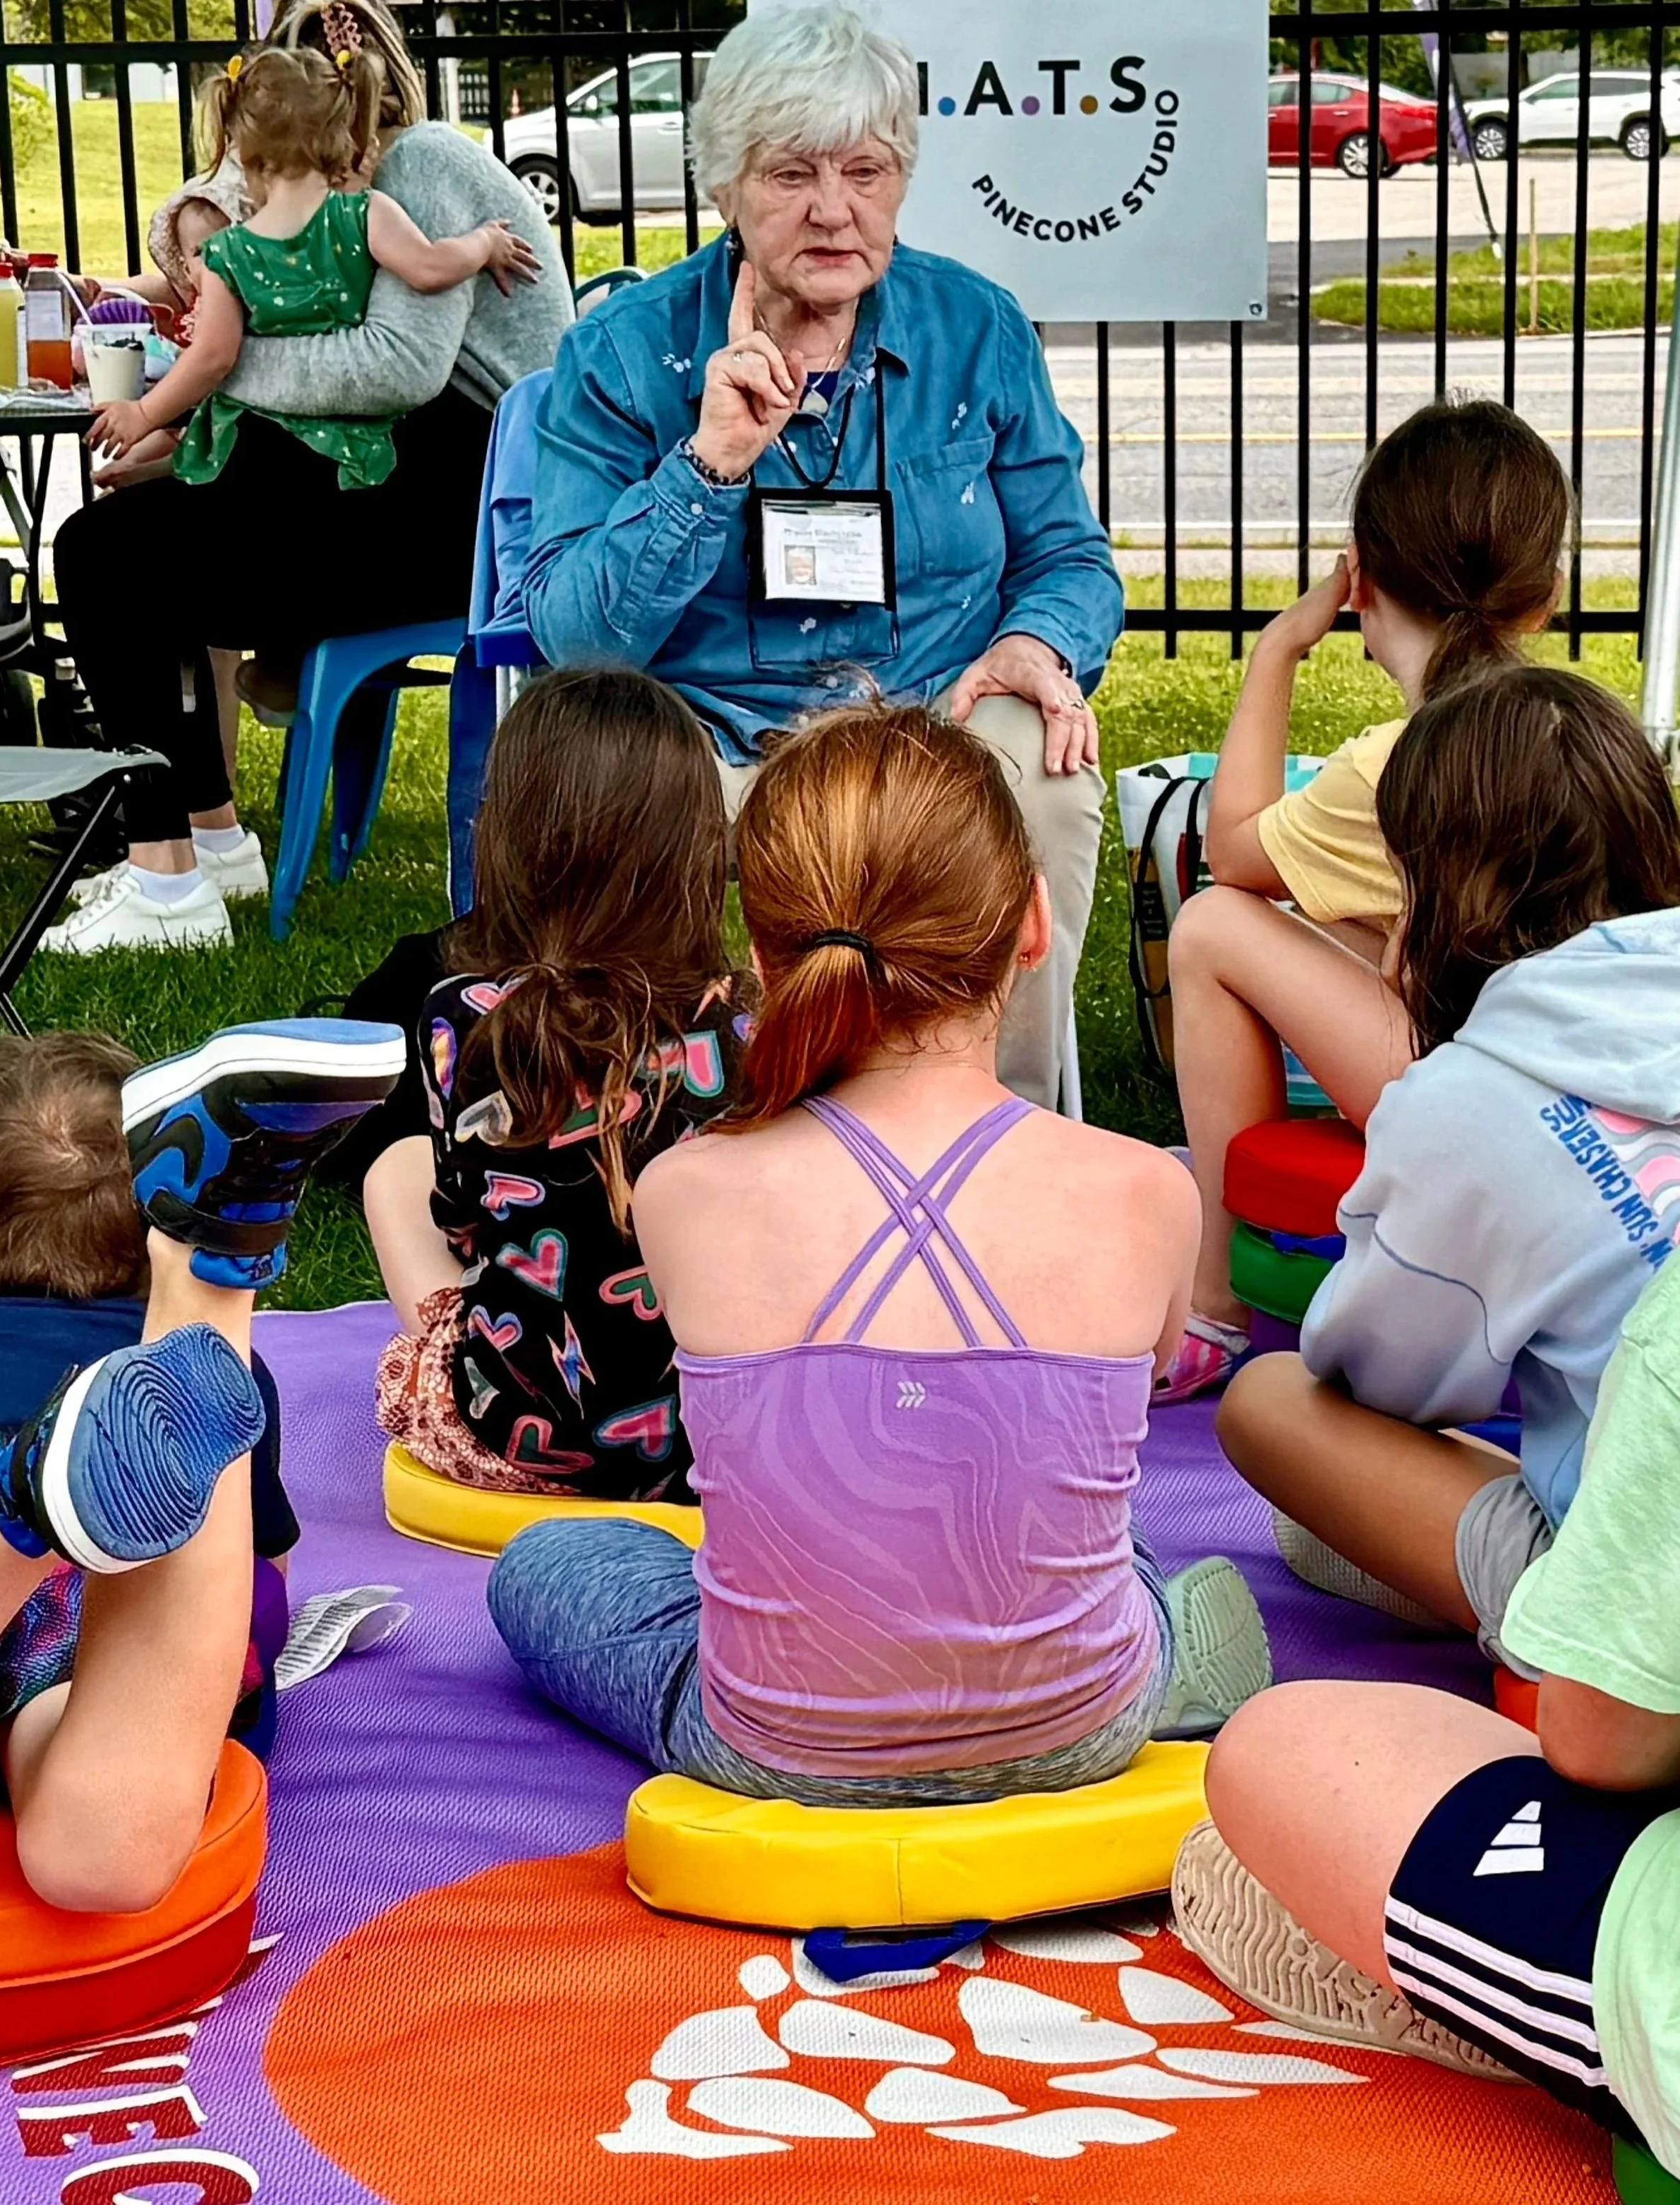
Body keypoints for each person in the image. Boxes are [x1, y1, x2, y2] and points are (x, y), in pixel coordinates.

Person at [488, 703, 1271, 1807]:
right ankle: (1174, 1654)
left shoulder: (681, 1192)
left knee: (545, 1568)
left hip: (777, 1749)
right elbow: (1117, 1395)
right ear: (1034, 924)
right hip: (1084, 1726)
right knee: (1105, 1521)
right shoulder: (1152, 1191)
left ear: (764, 959)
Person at [524, 4, 1121, 1112]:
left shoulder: (977, 328)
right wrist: (707, 467)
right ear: (724, 186)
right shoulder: (621, 353)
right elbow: (572, 640)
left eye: (867, 169)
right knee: (613, 777)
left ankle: (1010, 1125)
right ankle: (686, 1140)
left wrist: (1040, 642)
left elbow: (1071, 557)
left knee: (1040, 760)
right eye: (793, 173)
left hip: (928, 726)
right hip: (713, 740)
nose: (835, 209)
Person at [49, 0, 571, 956]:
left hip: (476, 503)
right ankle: (206, 841)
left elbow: (394, 367)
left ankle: (168, 881)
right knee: (127, 546)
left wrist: (215, 369)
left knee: (108, 557)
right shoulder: (359, 190)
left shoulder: (422, 167)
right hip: (416, 475)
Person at [1173, 1238, 1680, 2177]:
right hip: (1602, 1585)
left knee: (1273, 1740)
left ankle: (1459, 1983)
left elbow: (1367, 1357)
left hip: (1597, 1625)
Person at [1216, 665, 1680, 1663]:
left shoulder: (1468, 1097)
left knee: (1269, 1403)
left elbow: (1380, 1381)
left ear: (1426, 884)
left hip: (1635, 1621)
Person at [0, 1016, 401, 1908]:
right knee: (98, 1856)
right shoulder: (196, 1391)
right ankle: (206, 1285)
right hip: (94, 1613)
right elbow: (269, 1569)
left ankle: (18, 1511)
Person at [1159, 399, 1571, 1400]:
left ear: (1363, 580)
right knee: (1329, 912)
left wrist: (1277, 653)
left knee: (1217, 924)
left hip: (1477, 1090)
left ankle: (1212, 1302)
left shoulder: (1394, 765)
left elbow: (1229, 853)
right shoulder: (1584, 736)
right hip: (1589, 1090)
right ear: (1547, 594)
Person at [370, 668, 743, 1499]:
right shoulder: (748, 1021)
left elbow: (461, 1223)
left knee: (392, 1170)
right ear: (698, 848)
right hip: (720, 1451)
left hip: (518, 1441)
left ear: (506, 837)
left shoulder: (461, 1016)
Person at [87, 47, 526, 489]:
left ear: (246, 154)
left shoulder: (226, 254)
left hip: (256, 446)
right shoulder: (366, 214)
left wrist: (143, 412)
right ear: (340, 135)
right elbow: (432, 268)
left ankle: (152, 471)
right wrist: (484, 241)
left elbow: (212, 357)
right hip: (349, 446)